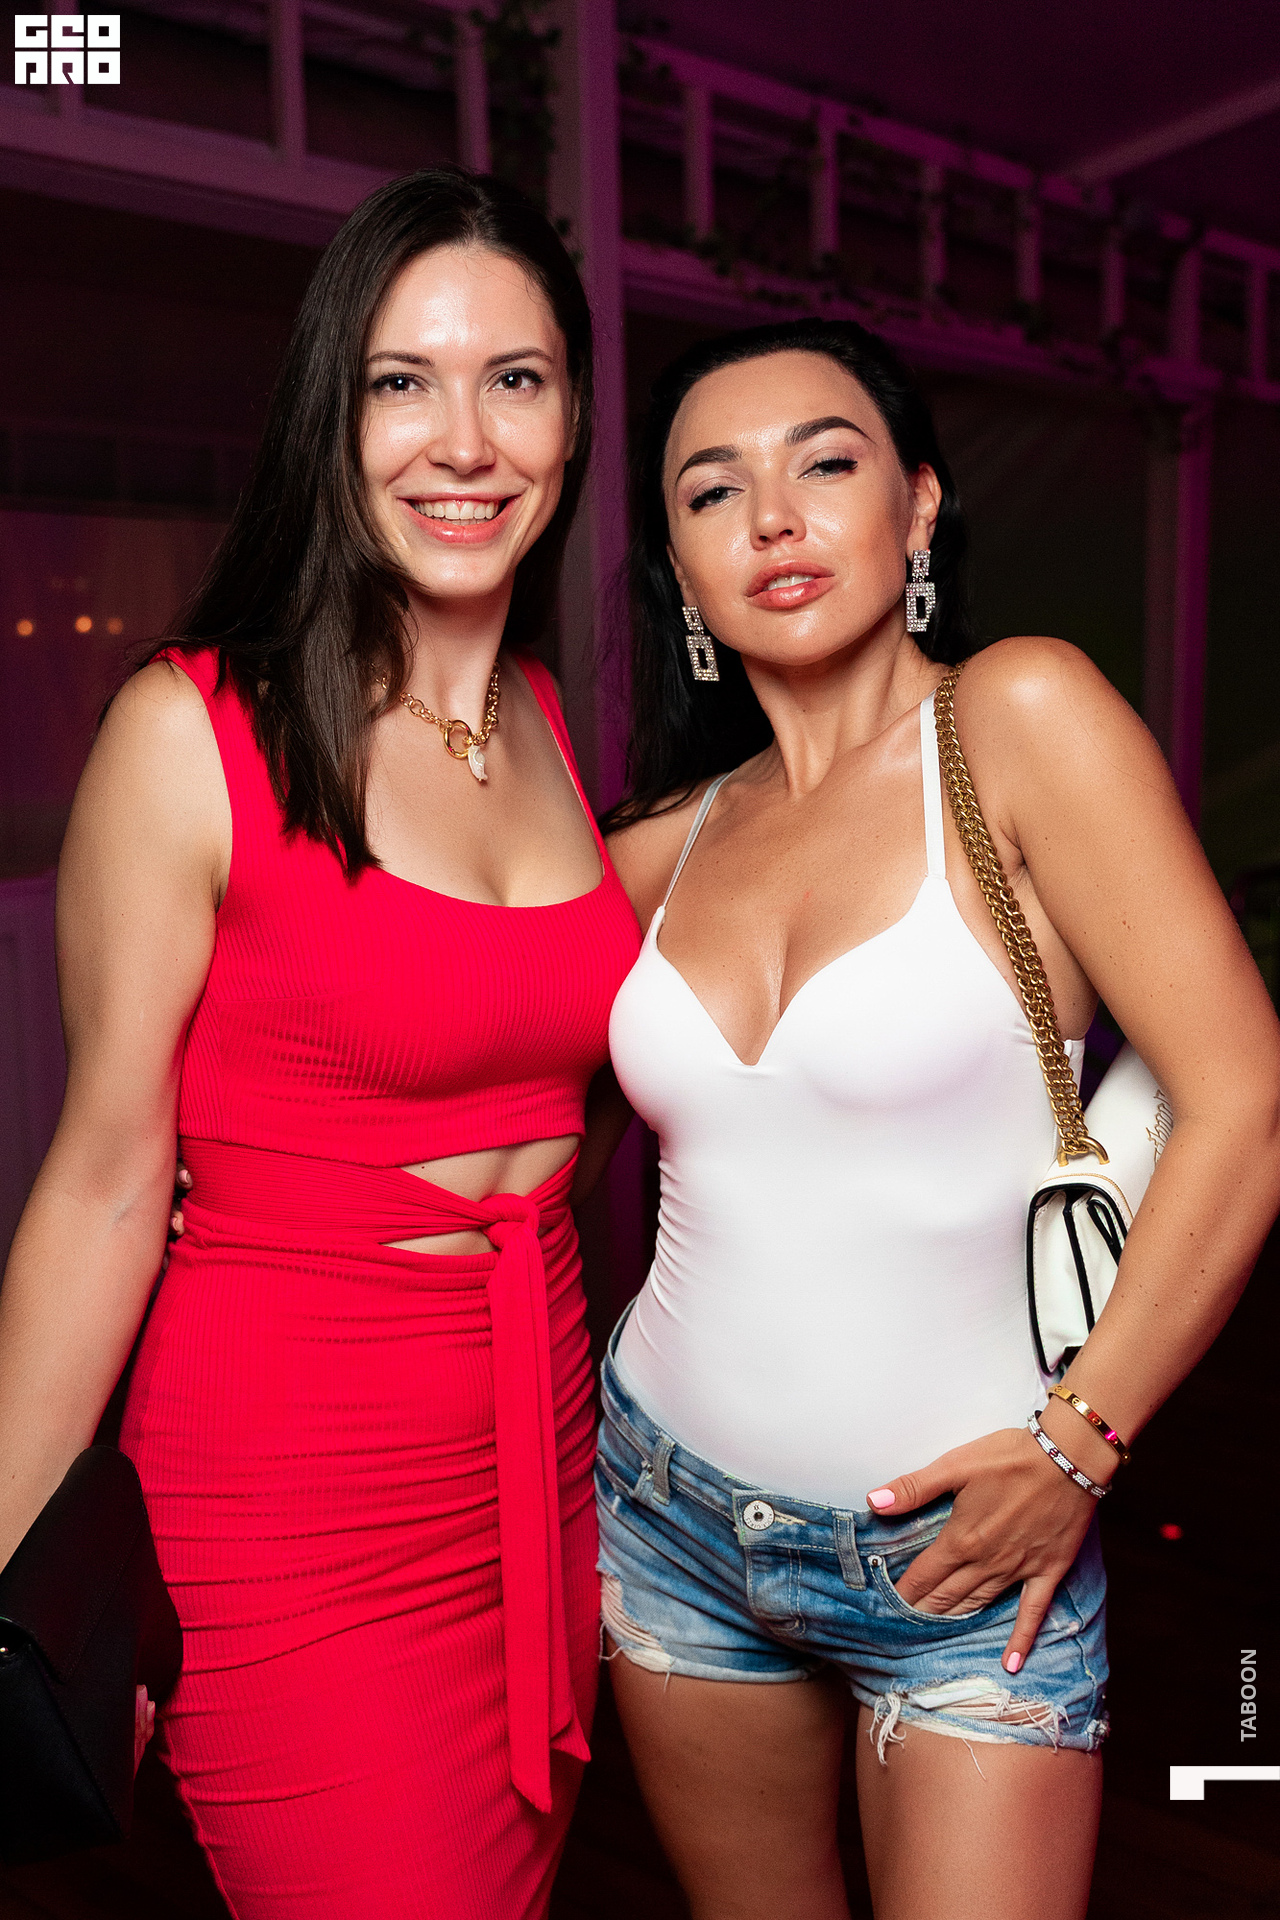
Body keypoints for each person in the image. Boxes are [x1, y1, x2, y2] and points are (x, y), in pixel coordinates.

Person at [0, 167, 640, 1919]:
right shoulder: (192, 727)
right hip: (292, 1491)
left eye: (516, 379)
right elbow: (103, 1182)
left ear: (575, 419)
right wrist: (8, 1582)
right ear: (329, 419)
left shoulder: (547, 718)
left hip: (536, 1449)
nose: (465, 439)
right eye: (401, 381)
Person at [593, 318, 1280, 1920]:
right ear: (679, 569)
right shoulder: (659, 843)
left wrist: (1083, 1442)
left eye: (824, 464)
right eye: (714, 491)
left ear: (916, 506)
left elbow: (1243, 1098)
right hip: (666, 1517)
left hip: (971, 1554)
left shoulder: (1018, 717)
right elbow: (495, 1121)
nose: (773, 518)